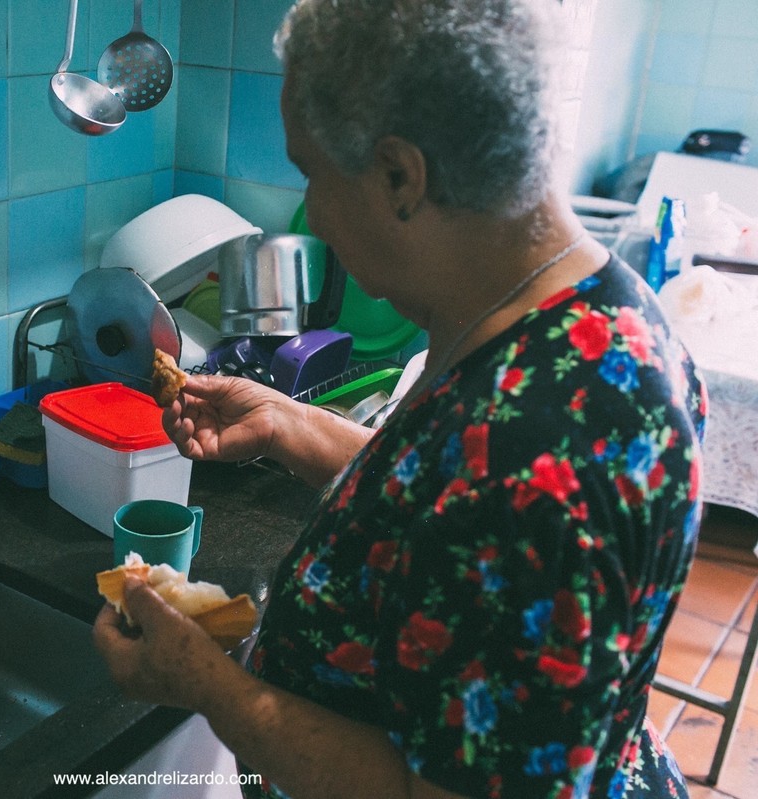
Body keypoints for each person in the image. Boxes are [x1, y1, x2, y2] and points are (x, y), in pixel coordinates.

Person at [92, 1, 708, 797]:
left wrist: (212, 686)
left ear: (399, 176)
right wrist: (287, 422)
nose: (310, 210)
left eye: (311, 173)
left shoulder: (545, 461)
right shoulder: (583, 319)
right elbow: (449, 509)